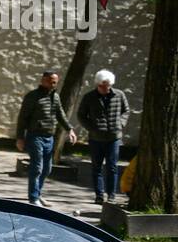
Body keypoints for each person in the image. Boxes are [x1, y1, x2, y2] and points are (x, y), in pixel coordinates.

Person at [15, 70, 76, 207]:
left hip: (49, 137)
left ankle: (38, 193)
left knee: (47, 168)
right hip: (35, 136)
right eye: (50, 81)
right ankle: (33, 198)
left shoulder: (55, 97)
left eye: (55, 82)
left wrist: (69, 129)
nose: (53, 84)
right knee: (37, 167)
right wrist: (20, 137)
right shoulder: (32, 97)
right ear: (43, 80)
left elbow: (60, 115)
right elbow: (22, 118)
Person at [76, 69, 130, 205]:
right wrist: (91, 127)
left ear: (111, 84)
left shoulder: (119, 95)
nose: (104, 88)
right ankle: (99, 195)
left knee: (112, 167)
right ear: (97, 84)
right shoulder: (89, 97)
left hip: (114, 137)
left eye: (106, 85)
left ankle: (111, 195)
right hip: (96, 138)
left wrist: (121, 123)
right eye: (101, 85)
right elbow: (81, 115)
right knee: (97, 167)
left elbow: (126, 110)